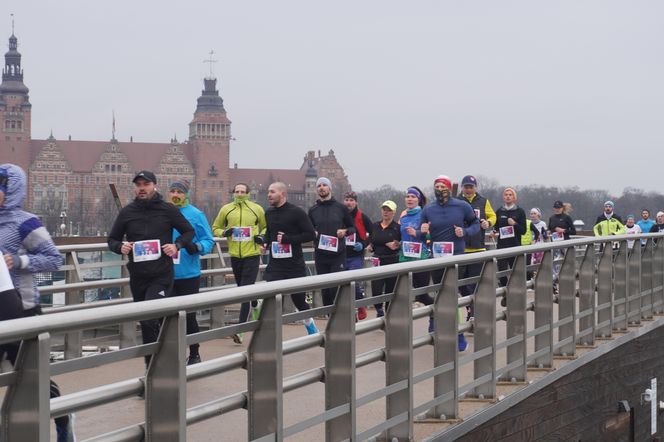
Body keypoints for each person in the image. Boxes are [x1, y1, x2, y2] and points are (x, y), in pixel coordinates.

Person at [0, 164, 75, 442]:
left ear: (12, 189)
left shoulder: (26, 222)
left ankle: (63, 419)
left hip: (23, 308)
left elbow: (54, 258)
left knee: (33, 377)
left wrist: (19, 261)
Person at [107, 170, 195, 366]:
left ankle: (166, 360)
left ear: (154, 186)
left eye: (146, 184)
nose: (142, 188)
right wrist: (120, 247)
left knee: (150, 317)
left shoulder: (167, 209)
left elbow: (189, 231)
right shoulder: (127, 212)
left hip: (161, 275)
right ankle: (151, 368)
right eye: (138, 185)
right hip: (138, 276)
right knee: (147, 323)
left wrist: (176, 245)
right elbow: (112, 239)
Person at [422, 175, 479, 351]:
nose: (440, 190)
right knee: (440, 296)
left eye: (443, 187)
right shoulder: (429, 209)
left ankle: (459, 335)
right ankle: (442, 331)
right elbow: (420, 233)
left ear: (449, 188)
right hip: (437, 258)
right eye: (436, 187)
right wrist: (422, 231)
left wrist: (465, 231)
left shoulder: (461, 206)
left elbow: (475, 223)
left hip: (457, 257)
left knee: (451, 295)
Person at [212, 183, 267, 344]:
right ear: (233, 193)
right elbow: (215, 228)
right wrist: (224, 233)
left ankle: (240, 330)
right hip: (235, 255)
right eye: (237, 191)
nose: (240, 194)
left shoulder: (256, 209)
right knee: (243, 290)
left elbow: (265, 228)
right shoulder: (226, 209)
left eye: (243, 192)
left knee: (244, 291)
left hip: (252, 254)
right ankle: (256, 304)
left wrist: (261, 237)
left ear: (248, 194)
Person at [168, 179, 215, 364]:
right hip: (164, 273)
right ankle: (169, 353)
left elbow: (208, 240)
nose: (176, 195)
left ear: (186, 194)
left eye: (179, 191)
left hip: (188, 274)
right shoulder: (162, 212)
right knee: (166, 316)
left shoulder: (196, 215)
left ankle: (194, 353)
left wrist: (198, 247)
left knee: (189, 316)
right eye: (172, 191)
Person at [264, 182, 319, 334]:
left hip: (294, 264)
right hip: (275, 264)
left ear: (282, 194)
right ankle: (270, 332)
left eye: (272, 192)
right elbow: (270, 232)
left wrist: (288, 239)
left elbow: (310, 234)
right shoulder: (268, 212)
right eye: (268, 191)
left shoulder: (297, 212)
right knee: (271, 297)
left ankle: (310, 325)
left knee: (299, 299)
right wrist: (265, 243)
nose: (269, 194)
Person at [308, 177, 355, 306]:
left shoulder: (341, 208)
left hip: (337, 254)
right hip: (321, 254)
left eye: (324, 185)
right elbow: (308, 230)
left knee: (335, 287)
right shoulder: (313, 210)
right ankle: (330, 320)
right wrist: (313, 233)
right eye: (319, 186)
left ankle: (343, 314)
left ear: (330, 188)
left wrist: (345, 232)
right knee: (325, 290)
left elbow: (352, 228)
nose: (321, 188)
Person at [456, 175, 496, 320]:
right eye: (466, 187)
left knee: (474, 283)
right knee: (460, 283)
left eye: (471, 187)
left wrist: (488, 223)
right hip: (460, 249)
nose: (468, 190)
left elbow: (493, 216)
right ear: (462, 187)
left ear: (475, 188)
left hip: (478, 248)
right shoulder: (456, 202)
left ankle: (473, 313)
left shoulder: (483, 201)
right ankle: (470, 307)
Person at [399, 186, 436, 330]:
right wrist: (398, 242)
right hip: (404, 259)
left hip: (420, 259)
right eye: (408, 196)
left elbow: (430, 235)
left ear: (419, 200)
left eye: (413, 196)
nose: (409, 199)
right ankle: (400, 327)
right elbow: (401, 235)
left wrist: (418, 233)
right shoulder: (403, 217)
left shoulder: (424, 215)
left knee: (422, 295)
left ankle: (435, 314)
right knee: (402, 294)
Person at [492, 187, 527, 303]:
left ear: (514, 197)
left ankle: (514, 294)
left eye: (510, 194)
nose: (508, 196)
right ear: (503, 197)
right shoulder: (499, 211)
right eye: (506, 194)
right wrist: (493, 232)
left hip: (515, 246)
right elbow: (496, 227)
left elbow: (523, 230)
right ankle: (506, 294)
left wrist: (515, 224)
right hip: (502, 246)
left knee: (515, 273)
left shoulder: (520, 211)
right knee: (501, 272)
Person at [343, 191, 373, 320]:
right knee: (343, 284)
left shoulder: (362, 217)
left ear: (356, 202)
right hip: (341, 255)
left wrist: (363, 244)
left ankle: (360, 306)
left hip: (356, 255)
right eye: (347, 200)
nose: (349, 202)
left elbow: (373, 233)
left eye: (351, 200)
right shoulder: (340, 215)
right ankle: (350, 313)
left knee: (353, 282)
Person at [368, 200, 401, 317]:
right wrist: (370, 245)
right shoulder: (375, 225)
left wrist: (397, 244)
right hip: (378, 260)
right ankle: (379, 310)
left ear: (394, 213)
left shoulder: (397, 228)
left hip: (392, 260)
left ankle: (388, 313)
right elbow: (371, 240)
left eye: (389, 211)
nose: (386, 213)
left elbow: (400, 244)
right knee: (376, 289)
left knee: (390, 289)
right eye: (384, 210)